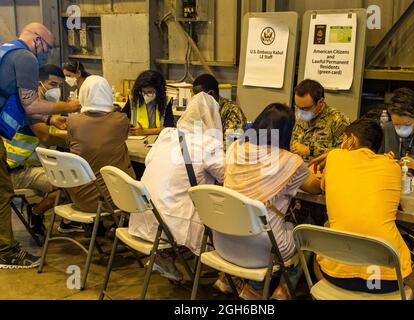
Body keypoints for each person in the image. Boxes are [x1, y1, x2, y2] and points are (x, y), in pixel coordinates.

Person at [213, 103, 322, 300]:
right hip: (263, 250)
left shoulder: (234, 148)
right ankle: (283, 290)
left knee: (262, 223)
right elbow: (316, 188)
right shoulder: (290, 161)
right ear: (288, 132)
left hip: (223, 241)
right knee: (308, 230)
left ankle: (231, 281)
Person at [0, 23, 80, 268]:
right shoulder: (25, 57)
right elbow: (31, 104)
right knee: (3, 193)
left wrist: (48, 117)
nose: (47, 53)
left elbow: (24, 107)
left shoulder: (5, 50)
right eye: (47, 47)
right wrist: (70, 107)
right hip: (19, 166)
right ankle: (6, 251)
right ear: (37, 40)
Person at [315, 118, 414, 296]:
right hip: (386, 280)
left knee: (315, 257)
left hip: (336, 275)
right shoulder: (392, 166)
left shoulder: (334, 157)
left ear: (351, 140)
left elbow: (323, 186)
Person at [128, 92, 224, 281]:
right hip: (171, 221)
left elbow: (149, 161)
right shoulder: (209, 144)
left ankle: (166, 256)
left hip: (144, 213)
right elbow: (226, 176)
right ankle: (227, 277)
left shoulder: (167, 135)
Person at [5, 64, 79, 237]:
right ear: (38, 83)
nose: (56, 90)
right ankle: (36, 212)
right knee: (72, 186)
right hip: (16, 171)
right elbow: (45, 137)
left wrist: (54, 121)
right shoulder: (28, 105)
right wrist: (78, 140)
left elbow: (47, 123)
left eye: (60, 86)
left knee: (71, 180)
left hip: (31, 165)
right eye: (53, 84)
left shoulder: (37, 104)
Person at [66, 76, 135, 232]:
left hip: (78, 197)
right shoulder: (121, 120)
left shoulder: (73, 121)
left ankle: (97, 227)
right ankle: (124, 224)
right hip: (113, 199)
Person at [290, 79, 350, 159]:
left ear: (320, 102)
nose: (301, 112)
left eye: (305, 109)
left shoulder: (338, 120)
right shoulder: (300, 117)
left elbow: (344, 153)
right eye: (298, 107)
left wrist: (310, 151)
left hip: (323, 170)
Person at [192, 73, 247, 146]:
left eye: (199, 97)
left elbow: (230, 144)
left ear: (211, 94)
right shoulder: (200, 109)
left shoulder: (232, 110)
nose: (197, 100)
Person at [122, 70, 175, 136]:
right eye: (144, 92)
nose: (146, 95)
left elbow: (169, 128)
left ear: (159, 90)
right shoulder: (133, 101)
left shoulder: (166, 102)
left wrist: (145, 132)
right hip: (136, 141)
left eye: (150, 92)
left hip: (157, 141)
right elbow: (120, 120)